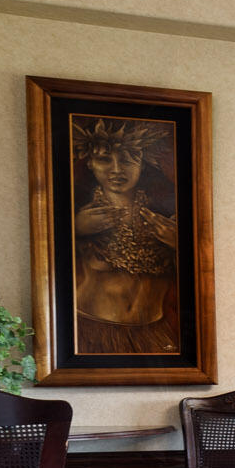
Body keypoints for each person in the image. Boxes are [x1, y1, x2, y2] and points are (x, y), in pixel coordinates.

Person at [71, 118, 180, 355]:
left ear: (143, 164)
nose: (117, 169)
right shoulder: (78, 213)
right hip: (92, 332)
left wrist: (178, 245)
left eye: (129, 159)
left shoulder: (166, 216)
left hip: (153, 333)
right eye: (104, 159)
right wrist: (76, 230)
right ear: (90, 162)